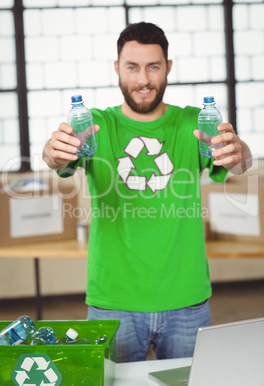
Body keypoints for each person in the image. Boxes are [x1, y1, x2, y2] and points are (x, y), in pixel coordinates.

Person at [43, 22, 252, 362]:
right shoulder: (94, 125)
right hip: (114, 302)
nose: (143, 80)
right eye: (132, 67)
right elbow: (57, 159)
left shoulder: (194, 123)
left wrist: (240, 151)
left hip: (186, 299)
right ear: (117, 68)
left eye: (153, 67)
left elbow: (238, 165)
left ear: (168, 67)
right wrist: (53, 152)